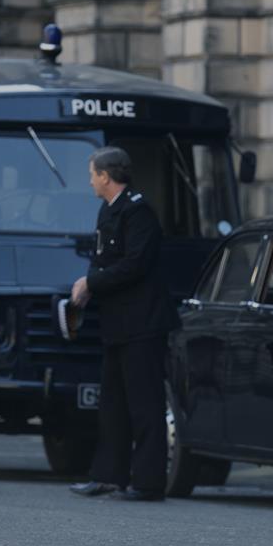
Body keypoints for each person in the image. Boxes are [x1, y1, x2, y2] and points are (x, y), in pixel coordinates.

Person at [68, 146, 180, 501]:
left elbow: (135, 264)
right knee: (112, 403)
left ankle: (148, 481)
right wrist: (89, 284)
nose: (90, 181)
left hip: (142, 324)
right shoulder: (110, 209)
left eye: (92, 174)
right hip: (118, 323)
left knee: (144, 403)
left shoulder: (138, 212)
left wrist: (92, 284)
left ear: (105, 176)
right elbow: (104, 259)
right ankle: (108, 475)